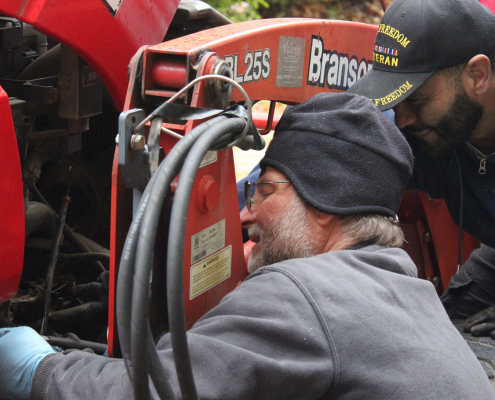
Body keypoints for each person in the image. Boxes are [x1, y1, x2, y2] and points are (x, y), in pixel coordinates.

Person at [1, 93, 493, 400]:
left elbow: (155, 391)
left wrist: (38, 369)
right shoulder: (409, 292)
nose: (244, 213)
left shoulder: (309, 293)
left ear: (326, 202)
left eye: (266, 191)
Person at [347, 0, 495, 337]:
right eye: (397, 100)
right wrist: (255, 195)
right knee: (442, 334)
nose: (403, 118)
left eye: (416, 100)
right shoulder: (424, 132)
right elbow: (339, 144)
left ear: (477, 75)